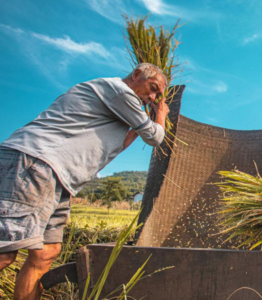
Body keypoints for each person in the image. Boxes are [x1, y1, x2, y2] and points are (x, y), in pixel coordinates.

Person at [0, 63, 169, 300]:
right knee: (4, 253)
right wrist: (160, 114)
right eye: (152, 89)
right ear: (136, 74)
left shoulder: (117, 111)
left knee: (46, 253)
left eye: (157, 96)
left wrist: (142, 122)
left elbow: (118, 146)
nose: (152, 97)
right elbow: (154, 136)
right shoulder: (119, 91)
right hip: (34, 164)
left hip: (59, 179)